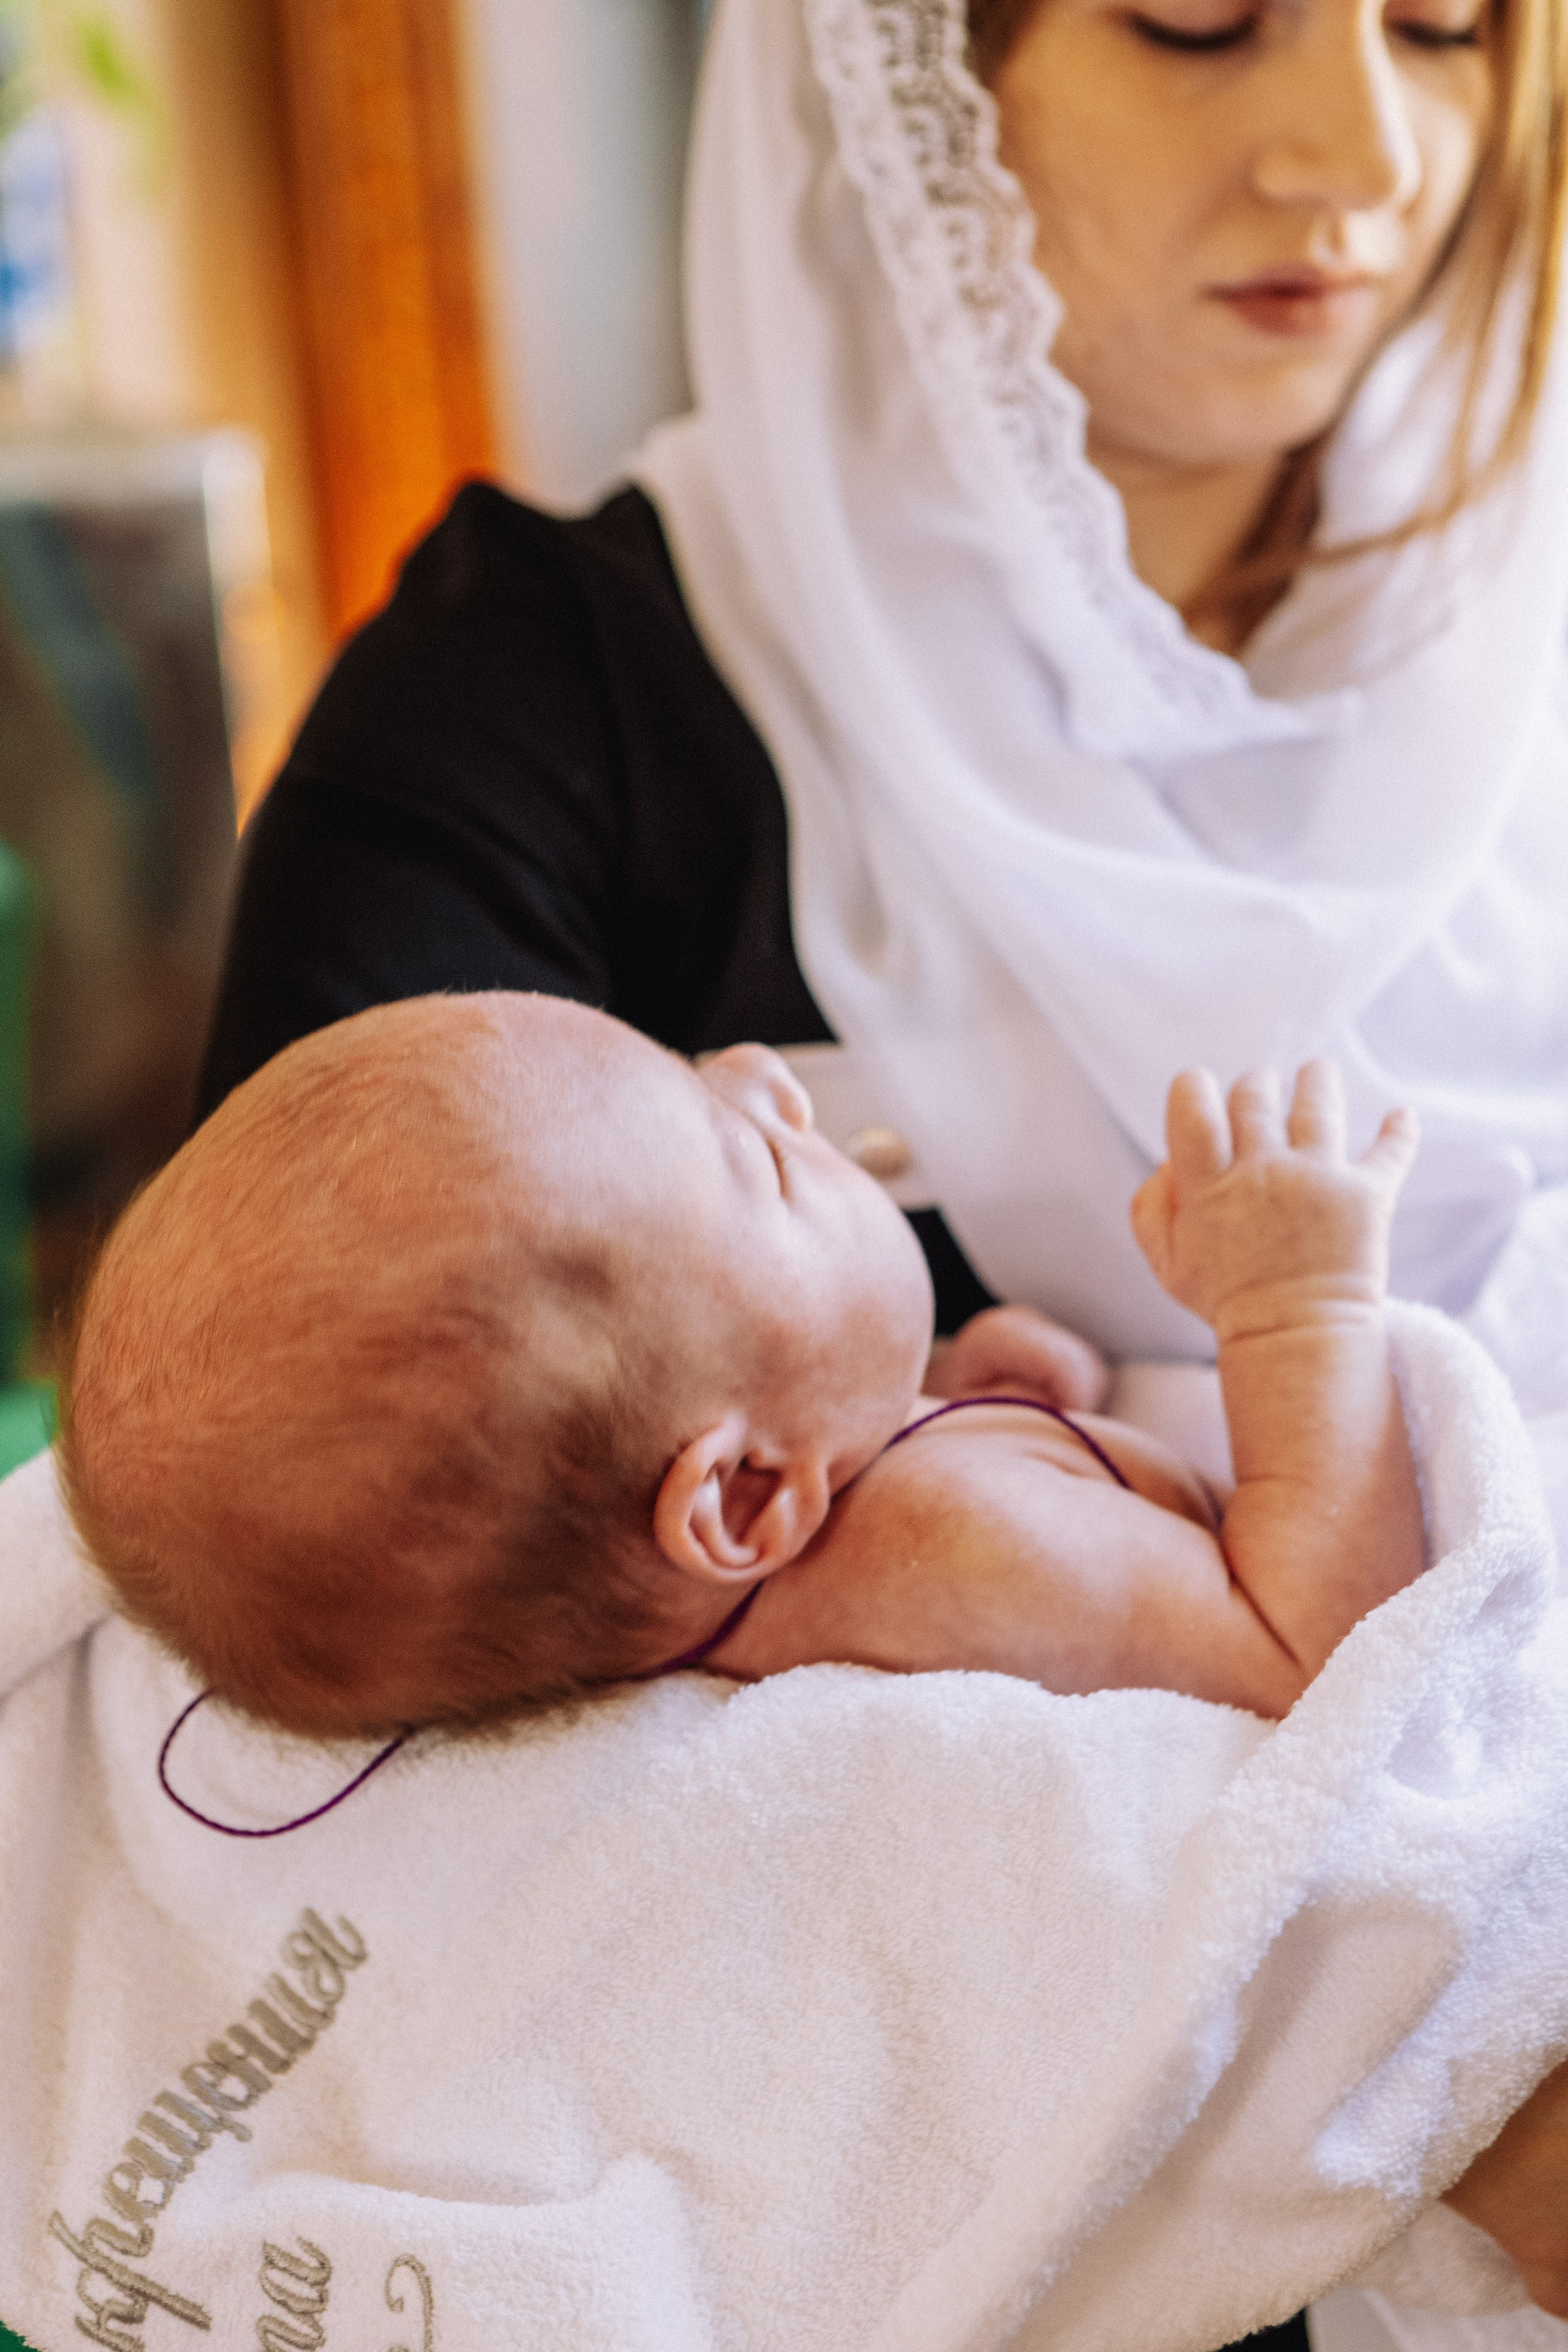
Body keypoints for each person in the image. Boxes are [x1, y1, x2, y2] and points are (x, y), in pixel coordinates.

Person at [186, 0, 1568, 2331]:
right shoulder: (533, 711)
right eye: (1197, 14)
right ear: (908, 62)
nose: (1356, 148)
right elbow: (321, 1613)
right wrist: (1460, 2092)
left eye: (1447, 22)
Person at [61, 993, 1422, 1736]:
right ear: (742, 1501)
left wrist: (984, 1393)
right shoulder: (961, 1547)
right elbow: (1320, 1673)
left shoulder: (809, 1524)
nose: (766, 1073)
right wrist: (1296, 1310)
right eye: (757, 1160)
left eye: (694, 1068)